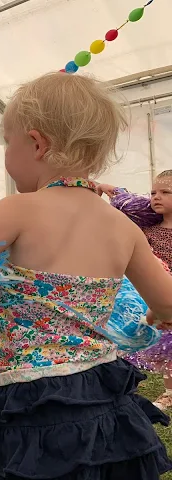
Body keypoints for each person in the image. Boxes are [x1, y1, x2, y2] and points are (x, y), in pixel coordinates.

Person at [0, 73, 172, 479]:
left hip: (35, 404)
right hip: (108, 404)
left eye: (7, 142)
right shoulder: (124, 227)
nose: (7, 154)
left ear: (36, 143)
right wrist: (149, 319)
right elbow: (168, 302)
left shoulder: (19, 210)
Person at [97, 171, 172, 410]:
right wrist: (105, 187)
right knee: (130, 339)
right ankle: (126, 389)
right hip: (141, 294)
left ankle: (170, 394)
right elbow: (125, 200)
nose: (155, 197)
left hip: (167, 296)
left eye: (165, 192)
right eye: (153, 192)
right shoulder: (146, 226)